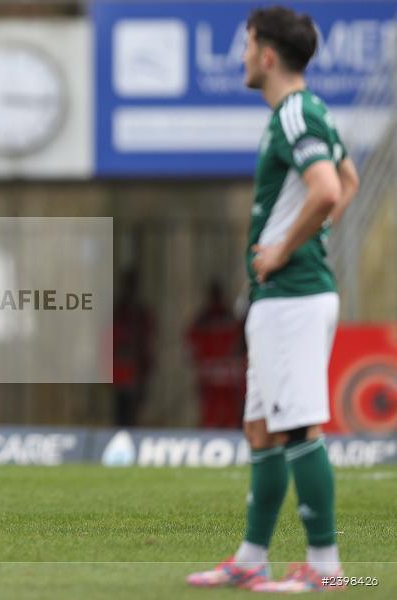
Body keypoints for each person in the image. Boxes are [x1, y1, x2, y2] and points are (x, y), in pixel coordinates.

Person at [187, 6, 360, 592]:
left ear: (266, 54)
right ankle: (252, 557)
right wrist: (308, 235)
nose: (241, 57)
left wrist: (286, 246)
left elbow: (328, 189)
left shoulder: (295, 113)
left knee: (299, 428)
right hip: (279, 298)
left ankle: (325, 567)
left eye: (246, 45)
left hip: (292, 296)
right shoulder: (307, 112)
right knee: (261, 429)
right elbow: (349, 181)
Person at [186, 279, 245, 429]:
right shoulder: (211, 319)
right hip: (223, 376)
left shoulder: (204, 319)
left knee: (216, 415)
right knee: (221, 415)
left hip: (217, 376)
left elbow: (191, 345)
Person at [112, 268, 155, 426]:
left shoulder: (142, 313)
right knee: (122, 412)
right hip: (122, 374)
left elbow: (148, 340)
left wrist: (146, 363)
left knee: (136, 412)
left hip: (138, 373)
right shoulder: (119, 312)